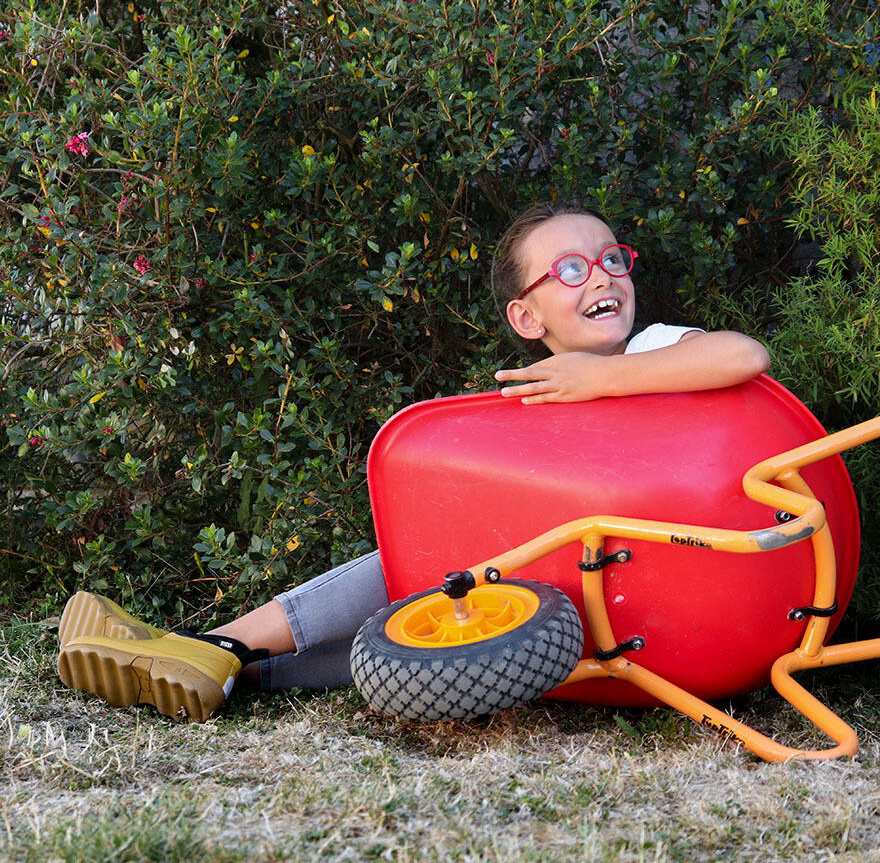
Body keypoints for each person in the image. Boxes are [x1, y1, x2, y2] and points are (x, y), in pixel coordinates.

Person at [56, 201, 770, 721]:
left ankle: (214, 644)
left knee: (434, 564)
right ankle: (228, 668)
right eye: (571, 270)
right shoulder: (534, 406)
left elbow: (742, 355)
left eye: (613, 259)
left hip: (667, 590)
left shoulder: (653, 349)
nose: (602, 278)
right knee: (426, 614)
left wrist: (602, 378)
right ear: (527, 318)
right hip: (561, 612)